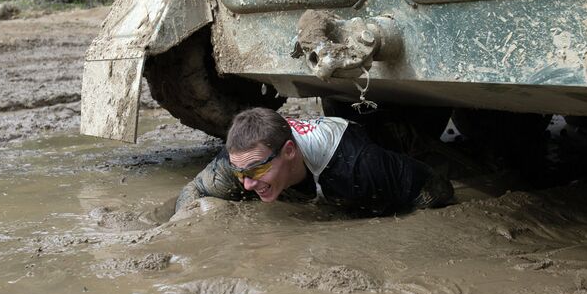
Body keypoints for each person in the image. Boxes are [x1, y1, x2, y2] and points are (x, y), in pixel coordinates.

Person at [175, 107, 453, 216]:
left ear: (289, 151)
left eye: (257, 170)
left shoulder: (359, 167)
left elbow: (436, 191)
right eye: (240, 173)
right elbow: (192, 192)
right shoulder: (237, 163)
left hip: (370, 135)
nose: (247, 185)